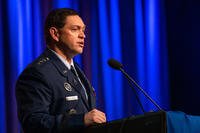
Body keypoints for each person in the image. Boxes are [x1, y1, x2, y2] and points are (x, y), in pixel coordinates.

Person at [15, 8, 106, 133]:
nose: (83, 35)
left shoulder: (76, 69)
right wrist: (81, 120)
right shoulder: (37, 73)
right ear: (55, 34)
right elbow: (33, 123)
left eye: (83, 30)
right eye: (75, 29)